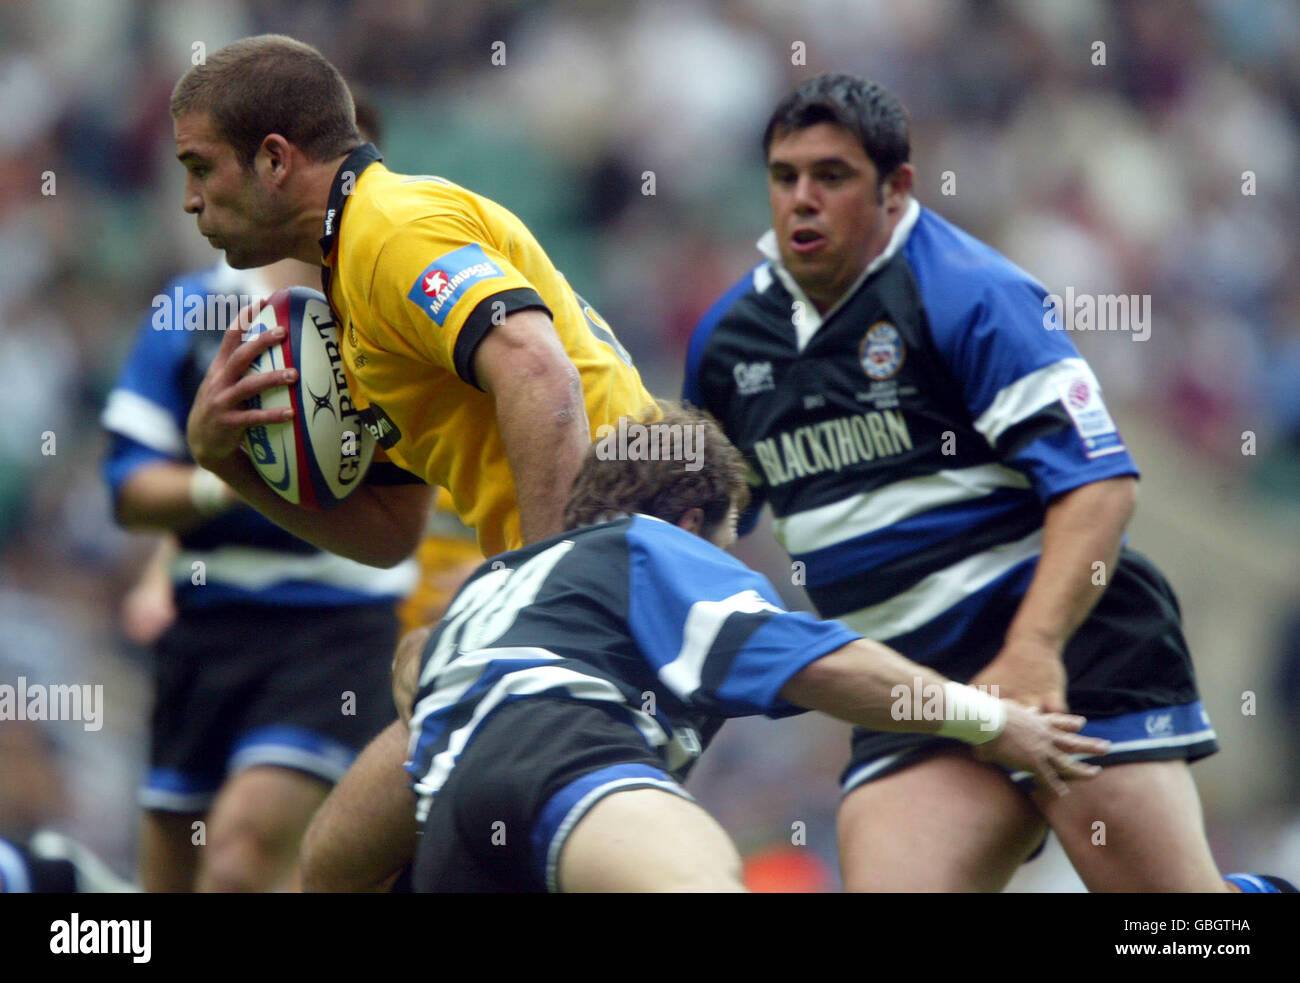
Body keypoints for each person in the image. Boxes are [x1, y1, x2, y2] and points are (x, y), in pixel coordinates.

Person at [684, 73, 1295, 893]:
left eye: (832, 177)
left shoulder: (970, 294)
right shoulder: (729, 345)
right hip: (912, 691)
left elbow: (1102, 487)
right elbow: (709, 529)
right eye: (785, 175)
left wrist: (1032, 649)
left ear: (895, 189)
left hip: (1068, 651)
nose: (801, 199)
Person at [168, 35, 655, 890]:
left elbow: (539, 373)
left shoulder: (391, 229)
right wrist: (228, 466)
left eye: (200, 168)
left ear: (275, 159)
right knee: (350, 861)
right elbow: (391, 530)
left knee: (352, 862)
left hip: (617, 569)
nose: (188, 200)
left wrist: (550, 604)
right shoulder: (347, 297)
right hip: (590, 575)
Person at [397, 404, 1108, 892]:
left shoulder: (490, 586)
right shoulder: (656, 547)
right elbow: (827, 668)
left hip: (445, 837)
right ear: (690, 518)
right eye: (729, 540)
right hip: (561, 761)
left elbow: (412, 678)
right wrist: (993, 719)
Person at [103, 251, 417, 892]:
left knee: (241, 855)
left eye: (203, 169)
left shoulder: (385, 311)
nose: (194, 198)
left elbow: (412, 494)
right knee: (169, 874)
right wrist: (223, 479)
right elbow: (128, 489)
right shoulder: (193, 307)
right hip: (203, 627)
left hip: (336, 628)